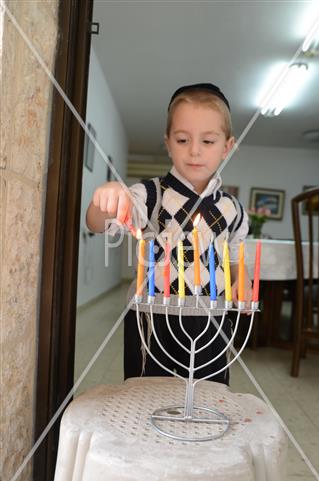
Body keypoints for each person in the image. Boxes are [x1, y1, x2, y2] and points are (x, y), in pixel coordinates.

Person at [86, 83, 253, 385]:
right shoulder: (150, 194)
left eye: (208, 140)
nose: (194, 150)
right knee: (146, 395)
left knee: (207, 397)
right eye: (182, 139)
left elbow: (236, 254)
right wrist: (107, 198)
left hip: (211, 318)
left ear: (227, 147)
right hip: (152, 318)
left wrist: (242, 283)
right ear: (167, 143)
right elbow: (97, 224)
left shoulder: (234, 209)